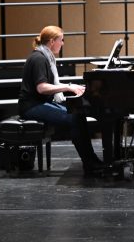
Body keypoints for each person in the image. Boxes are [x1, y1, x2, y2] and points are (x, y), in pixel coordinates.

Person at [18, 25, 103, 176]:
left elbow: (50, 86)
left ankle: (91, 161)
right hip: (31, 106)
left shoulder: (45, 57)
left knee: (78, 114)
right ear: (52, 41)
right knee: (75, 118)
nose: (62, 44)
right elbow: (41, 88)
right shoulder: (38, 59)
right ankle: (90, 163)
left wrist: (73, 87)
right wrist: (68, 88)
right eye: (61, 40)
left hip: (40, 103)